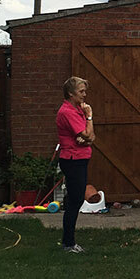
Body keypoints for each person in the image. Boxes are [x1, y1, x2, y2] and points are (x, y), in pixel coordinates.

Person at [55, 76, 94, 253]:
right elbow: (87, 134)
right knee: (75, 200)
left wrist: (86, 136)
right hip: (73, 159)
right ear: (71, 93)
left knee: (75, 199)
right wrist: (90, 117)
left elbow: (90, 138)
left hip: (80, 157)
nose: (84, 95)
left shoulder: (77, 109)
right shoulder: (68, 112)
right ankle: (68, 243)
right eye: (81, 91)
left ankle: (68, 240)